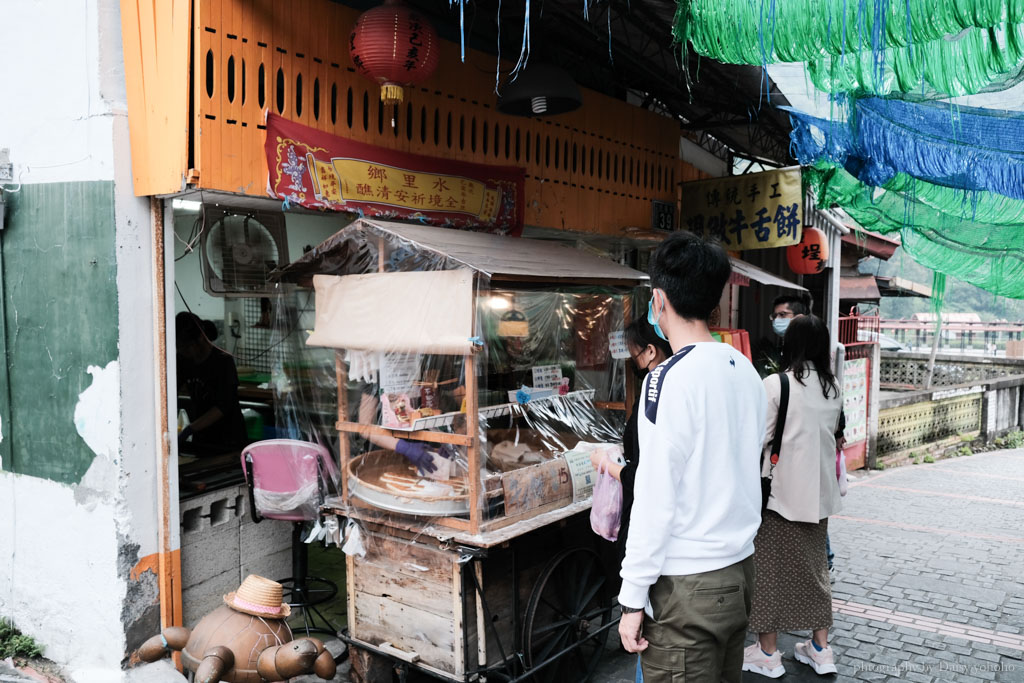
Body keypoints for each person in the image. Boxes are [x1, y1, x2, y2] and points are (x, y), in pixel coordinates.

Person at [618, 232, 767, 683]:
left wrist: (631, 599)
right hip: (740, 572)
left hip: (688, 587)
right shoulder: (745, 369)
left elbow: (654, 497)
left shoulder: (665, 380)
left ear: (658, 301)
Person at [742, 315, 844, 678]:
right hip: (818, 499)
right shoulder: (832, 388)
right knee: (816, 572)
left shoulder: (776, 384)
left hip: (779, 497)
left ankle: (768, 653)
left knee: (768, 572)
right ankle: (820, 648)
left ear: (791, 345)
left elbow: (759, 438)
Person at [589, 316, 673, 566]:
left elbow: (645, 476)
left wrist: (605, 465)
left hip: (647, 517)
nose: (632, 362)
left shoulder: (655, 391)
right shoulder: (672, 384)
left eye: (634, 355)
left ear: (650, 351)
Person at [176, 312, 249, 455]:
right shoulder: (183, 360)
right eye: (178, 347)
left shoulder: (222, 362)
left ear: (199, 339)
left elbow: (223, 406)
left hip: (228, 438)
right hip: (202, 436)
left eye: (184, 346)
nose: (181, 351)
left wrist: (190, 429)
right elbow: (171, 391)